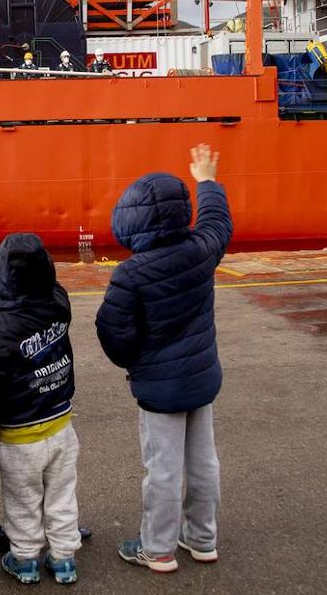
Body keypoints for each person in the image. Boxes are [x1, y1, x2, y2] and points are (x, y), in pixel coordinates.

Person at [95, 144, 232, 574]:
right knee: (203, 461)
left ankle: (157, 549)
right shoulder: (201, 250)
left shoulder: (130, 274)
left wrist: (137, 361)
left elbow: (113, 335)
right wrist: (206, 180)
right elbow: (217, 222)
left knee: (163, 470)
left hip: (159, 388)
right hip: (202, 378)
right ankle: (202, 538)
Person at [0, 233, 80, 586]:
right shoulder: (58, 305)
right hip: (63, 427)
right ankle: (64, 560)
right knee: (62, 495)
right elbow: (55, 290)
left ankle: (24, 560)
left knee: (22, 501)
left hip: (21, 436)